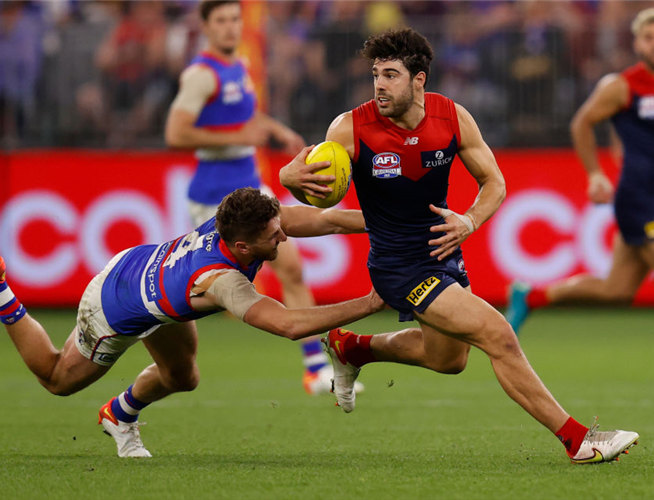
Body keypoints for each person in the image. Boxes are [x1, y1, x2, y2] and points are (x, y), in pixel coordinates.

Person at [279, 28, 639, 464]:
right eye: (375, 74)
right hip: (398, 266)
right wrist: (287, 180)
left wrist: (469, 220)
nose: (379, 85)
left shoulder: (451, 117)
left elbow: (495, 183)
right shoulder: (350, 128)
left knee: (448, 359)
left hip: (444, 252)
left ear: (419, 80)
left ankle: (353, 347)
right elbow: (319, 194)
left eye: (390, 75)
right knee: (498, 335)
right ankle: (578, 440)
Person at [0, 185, 384, 458]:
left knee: (183, 377)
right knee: (56, 378)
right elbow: (287, 325)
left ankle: (118, 416)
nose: (282, 235)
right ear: (243, 247)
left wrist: (393, 225)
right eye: (273, 236)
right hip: (115, 303)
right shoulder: (221, 280)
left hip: (155, 280)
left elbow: (328, 220)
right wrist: (369, 302)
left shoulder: (242, 219)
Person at [165, 0, 348, 396]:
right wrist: (237, 137)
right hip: (215, 201)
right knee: (207, 296)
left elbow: (245, 119)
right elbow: (176, 134)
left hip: (251, 188)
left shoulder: (240, 65)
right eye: (222, 21)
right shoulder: (201, 75)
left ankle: (316, 369)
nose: (231, 27)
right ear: (206, 26)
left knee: (292, 270)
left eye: (235, 19)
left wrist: (276, 129)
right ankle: (161, 356)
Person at [506, 8, 654, 332]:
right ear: (637, 44)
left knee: (616, 290)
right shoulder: (623, 86)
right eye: (648, 38)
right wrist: (596, 174)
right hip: (641, 199)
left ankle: (530, 296)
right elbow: (582, 124)